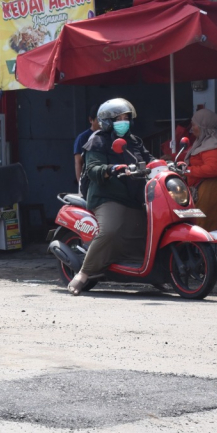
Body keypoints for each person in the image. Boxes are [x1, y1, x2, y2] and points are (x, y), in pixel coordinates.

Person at [68, 98, 153, 295]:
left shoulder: (134, 141)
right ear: (107, 121)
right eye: (118, 118)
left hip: (133, 196)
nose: (123, 122)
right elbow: (93, 169)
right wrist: (112, 168)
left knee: (148, 229)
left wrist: (166, 164)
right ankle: (83, 273)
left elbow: (149, 160)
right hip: (108, 196)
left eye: (126, 118)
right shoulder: (97, 141)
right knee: (111, 230)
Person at [73, 105, 100, 190]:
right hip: (88, 183)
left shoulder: (109, 136)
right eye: (99, 120)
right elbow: (78, 162)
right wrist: (81, 185)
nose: (102, 123)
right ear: (90, 120)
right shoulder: (83, 137)